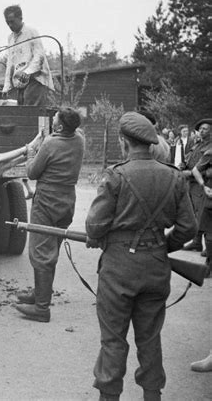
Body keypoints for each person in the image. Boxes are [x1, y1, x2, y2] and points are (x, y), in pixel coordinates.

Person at [85, 111, 197, 401]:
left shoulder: (115, 175)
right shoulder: (173, 177)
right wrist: (161, 246)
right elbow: (188, 228)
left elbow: (94, 226)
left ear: (123, 141)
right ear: (150, 143)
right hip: (156, 267)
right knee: (150, 340)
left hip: (119, 269)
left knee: (113, 341)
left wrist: (98, 239)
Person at [15, 107, 85, 323]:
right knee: (51, 249)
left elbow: (32, 172)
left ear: (60, 126)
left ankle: (42, 308)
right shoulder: (79, 139)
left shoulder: (50, 144)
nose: (52, 119)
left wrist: (30, 152)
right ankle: (39, 294)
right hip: (67, 202)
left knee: (40, 252)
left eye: (55, 118)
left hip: (46, 202)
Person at [2, 5, 55, 106]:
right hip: (21, 82)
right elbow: (10, 63)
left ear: (20, 18)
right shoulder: (11, 38)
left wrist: (27, 72)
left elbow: (39, 57)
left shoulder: (31, 32)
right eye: (7, 22)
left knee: (32, 112)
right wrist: (7, 86)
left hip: (35, 79)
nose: (10, 25)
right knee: (22, 112)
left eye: (12, 21)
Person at [182, 118, 212, 252]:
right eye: (200, 128)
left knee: (203, 214)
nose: (201, 130)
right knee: (195, 213)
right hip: (192, 183)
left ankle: (208, 245)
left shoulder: (210, 147)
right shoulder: (197, 144)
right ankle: (196, 241)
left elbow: (207, 169)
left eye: (205, 128)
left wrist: (189, 173)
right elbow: (188, 158)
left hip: (203, 183)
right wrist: (182, 166)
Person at [191, 133, 212, 274]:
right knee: (210, 233)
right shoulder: (210, 153)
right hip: (211, 197)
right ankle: (209, 264)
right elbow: (195, 170)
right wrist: (204, 185)